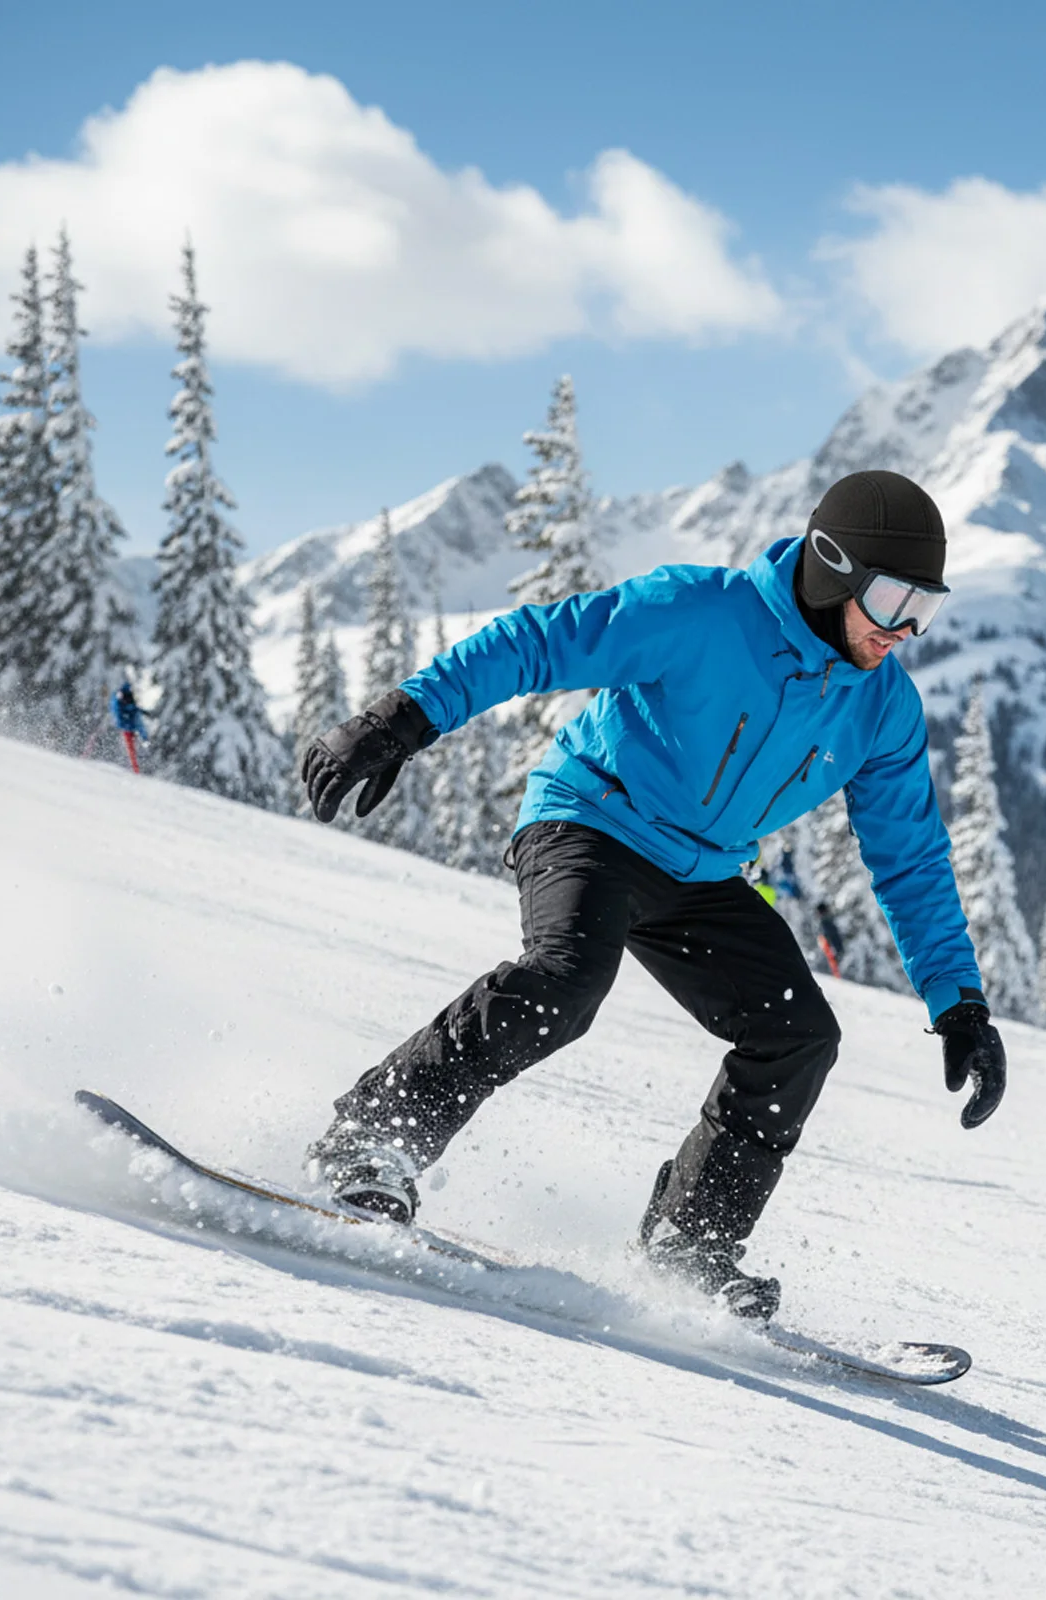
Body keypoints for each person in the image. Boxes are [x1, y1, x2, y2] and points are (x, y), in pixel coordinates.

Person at [299, 469, 1007, 1320]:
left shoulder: (882, 708)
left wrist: (958, 999)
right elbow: (540, 640)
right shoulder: (702, 614)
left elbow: (911, 858)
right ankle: (373, 1139)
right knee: (565, 979)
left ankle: (689, 1239)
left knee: (798, 1034)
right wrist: (405, 717)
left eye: (924, 610)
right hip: (589, 818)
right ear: (831, 570)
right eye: (893, 600)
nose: (903, 631)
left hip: (702, 873)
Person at [109, 681, 151, 774]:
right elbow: (139, 724)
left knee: (131, 751)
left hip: (126, 729)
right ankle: (134, 770)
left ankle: (135, 770)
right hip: (125, 729)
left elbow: (139, 724)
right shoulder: (120, 702)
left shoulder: (127, 705)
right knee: (130, 751)